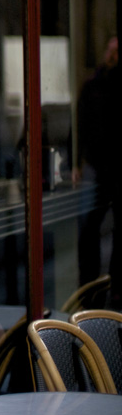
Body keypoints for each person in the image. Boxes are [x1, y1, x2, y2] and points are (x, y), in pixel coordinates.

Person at [76, 36, 120, 298]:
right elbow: (80, 123)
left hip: (114, 164)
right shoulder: (93, 85)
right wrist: (77, 160)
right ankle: (89, 288)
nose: (112, 56)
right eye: (110, 50)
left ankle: (112, 289)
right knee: (89, 227)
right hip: (96, 163)